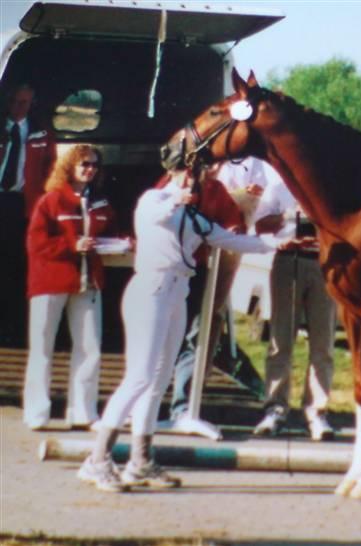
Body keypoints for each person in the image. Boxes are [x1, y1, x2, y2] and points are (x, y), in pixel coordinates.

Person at [77, 167, 272, 492]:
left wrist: (279, 241)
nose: (194, 181)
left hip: (177, 293)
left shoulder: (195, 218)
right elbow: (159, 212)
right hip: (151, 289)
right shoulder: (154, 200)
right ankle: (97, 459)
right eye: (188, 175)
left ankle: (140, 460)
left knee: (159, 380)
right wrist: (177, 196)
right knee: (139, 376)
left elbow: (235, 240)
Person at [23, 145, 117, 430]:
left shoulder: (101, 205)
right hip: (50, 281)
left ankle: (83, 412)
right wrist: (71, 246)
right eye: (84, 164)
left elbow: (111, 235)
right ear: (70, 166)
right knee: (42, 347)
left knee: (90, 348)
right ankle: (37, 412)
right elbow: (36, 244)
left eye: (95, 165)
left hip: (88, 283)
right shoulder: (51, 201)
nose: (90, 169)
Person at [168, 158, 266, 422]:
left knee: (196, 332)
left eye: (215, 165)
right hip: (167, 274)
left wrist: (237, 230)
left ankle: (183, 407)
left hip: (196, 269)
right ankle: (148, 405)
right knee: (164, 336)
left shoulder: (216, 190)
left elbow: (230, 224)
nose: (211, 169)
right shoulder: (166, 190)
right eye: (205, 165)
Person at [252, 169, 337, 441]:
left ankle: (316, 412)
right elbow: (260, 225)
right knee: (280, 339)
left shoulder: (329, 185)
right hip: (288, 260)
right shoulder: (278, 188)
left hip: (323, 264)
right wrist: (289, 214)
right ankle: (276, 408)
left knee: (323, 344)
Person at [0, 83, 57, 345]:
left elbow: (51, 167)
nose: (18, 108)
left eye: (24, 103)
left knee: (15, 265)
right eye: (14, 102)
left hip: (21, 204)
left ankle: (12, 330)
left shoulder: (40, 133)